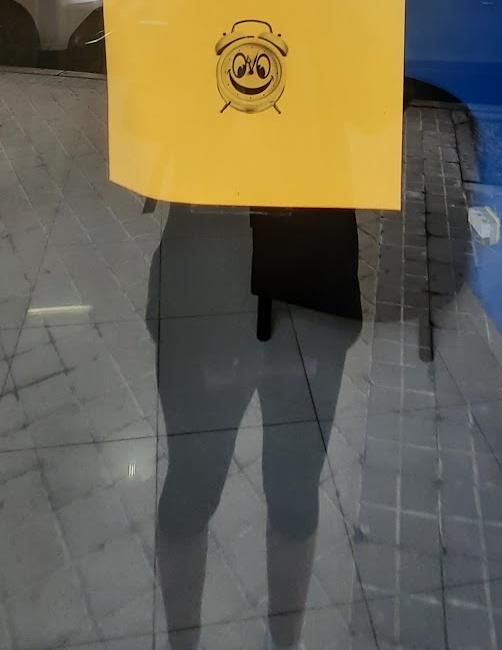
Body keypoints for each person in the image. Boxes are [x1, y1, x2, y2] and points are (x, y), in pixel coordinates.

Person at [146, 203, 362, 650]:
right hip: (212, 265)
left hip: (308, 268)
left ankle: (284, 643)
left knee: (293, 492)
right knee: (192, 487)